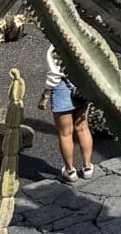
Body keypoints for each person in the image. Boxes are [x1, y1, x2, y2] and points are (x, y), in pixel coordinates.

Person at [43, 41, 95, 180]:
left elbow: (54, 75)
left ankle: (70, 171)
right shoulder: (82, 41)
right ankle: (87, 167)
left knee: (66, 133)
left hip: (62, 88)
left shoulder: (56, 46)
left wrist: (46, 95)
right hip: (81, 87)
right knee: (83, 128)